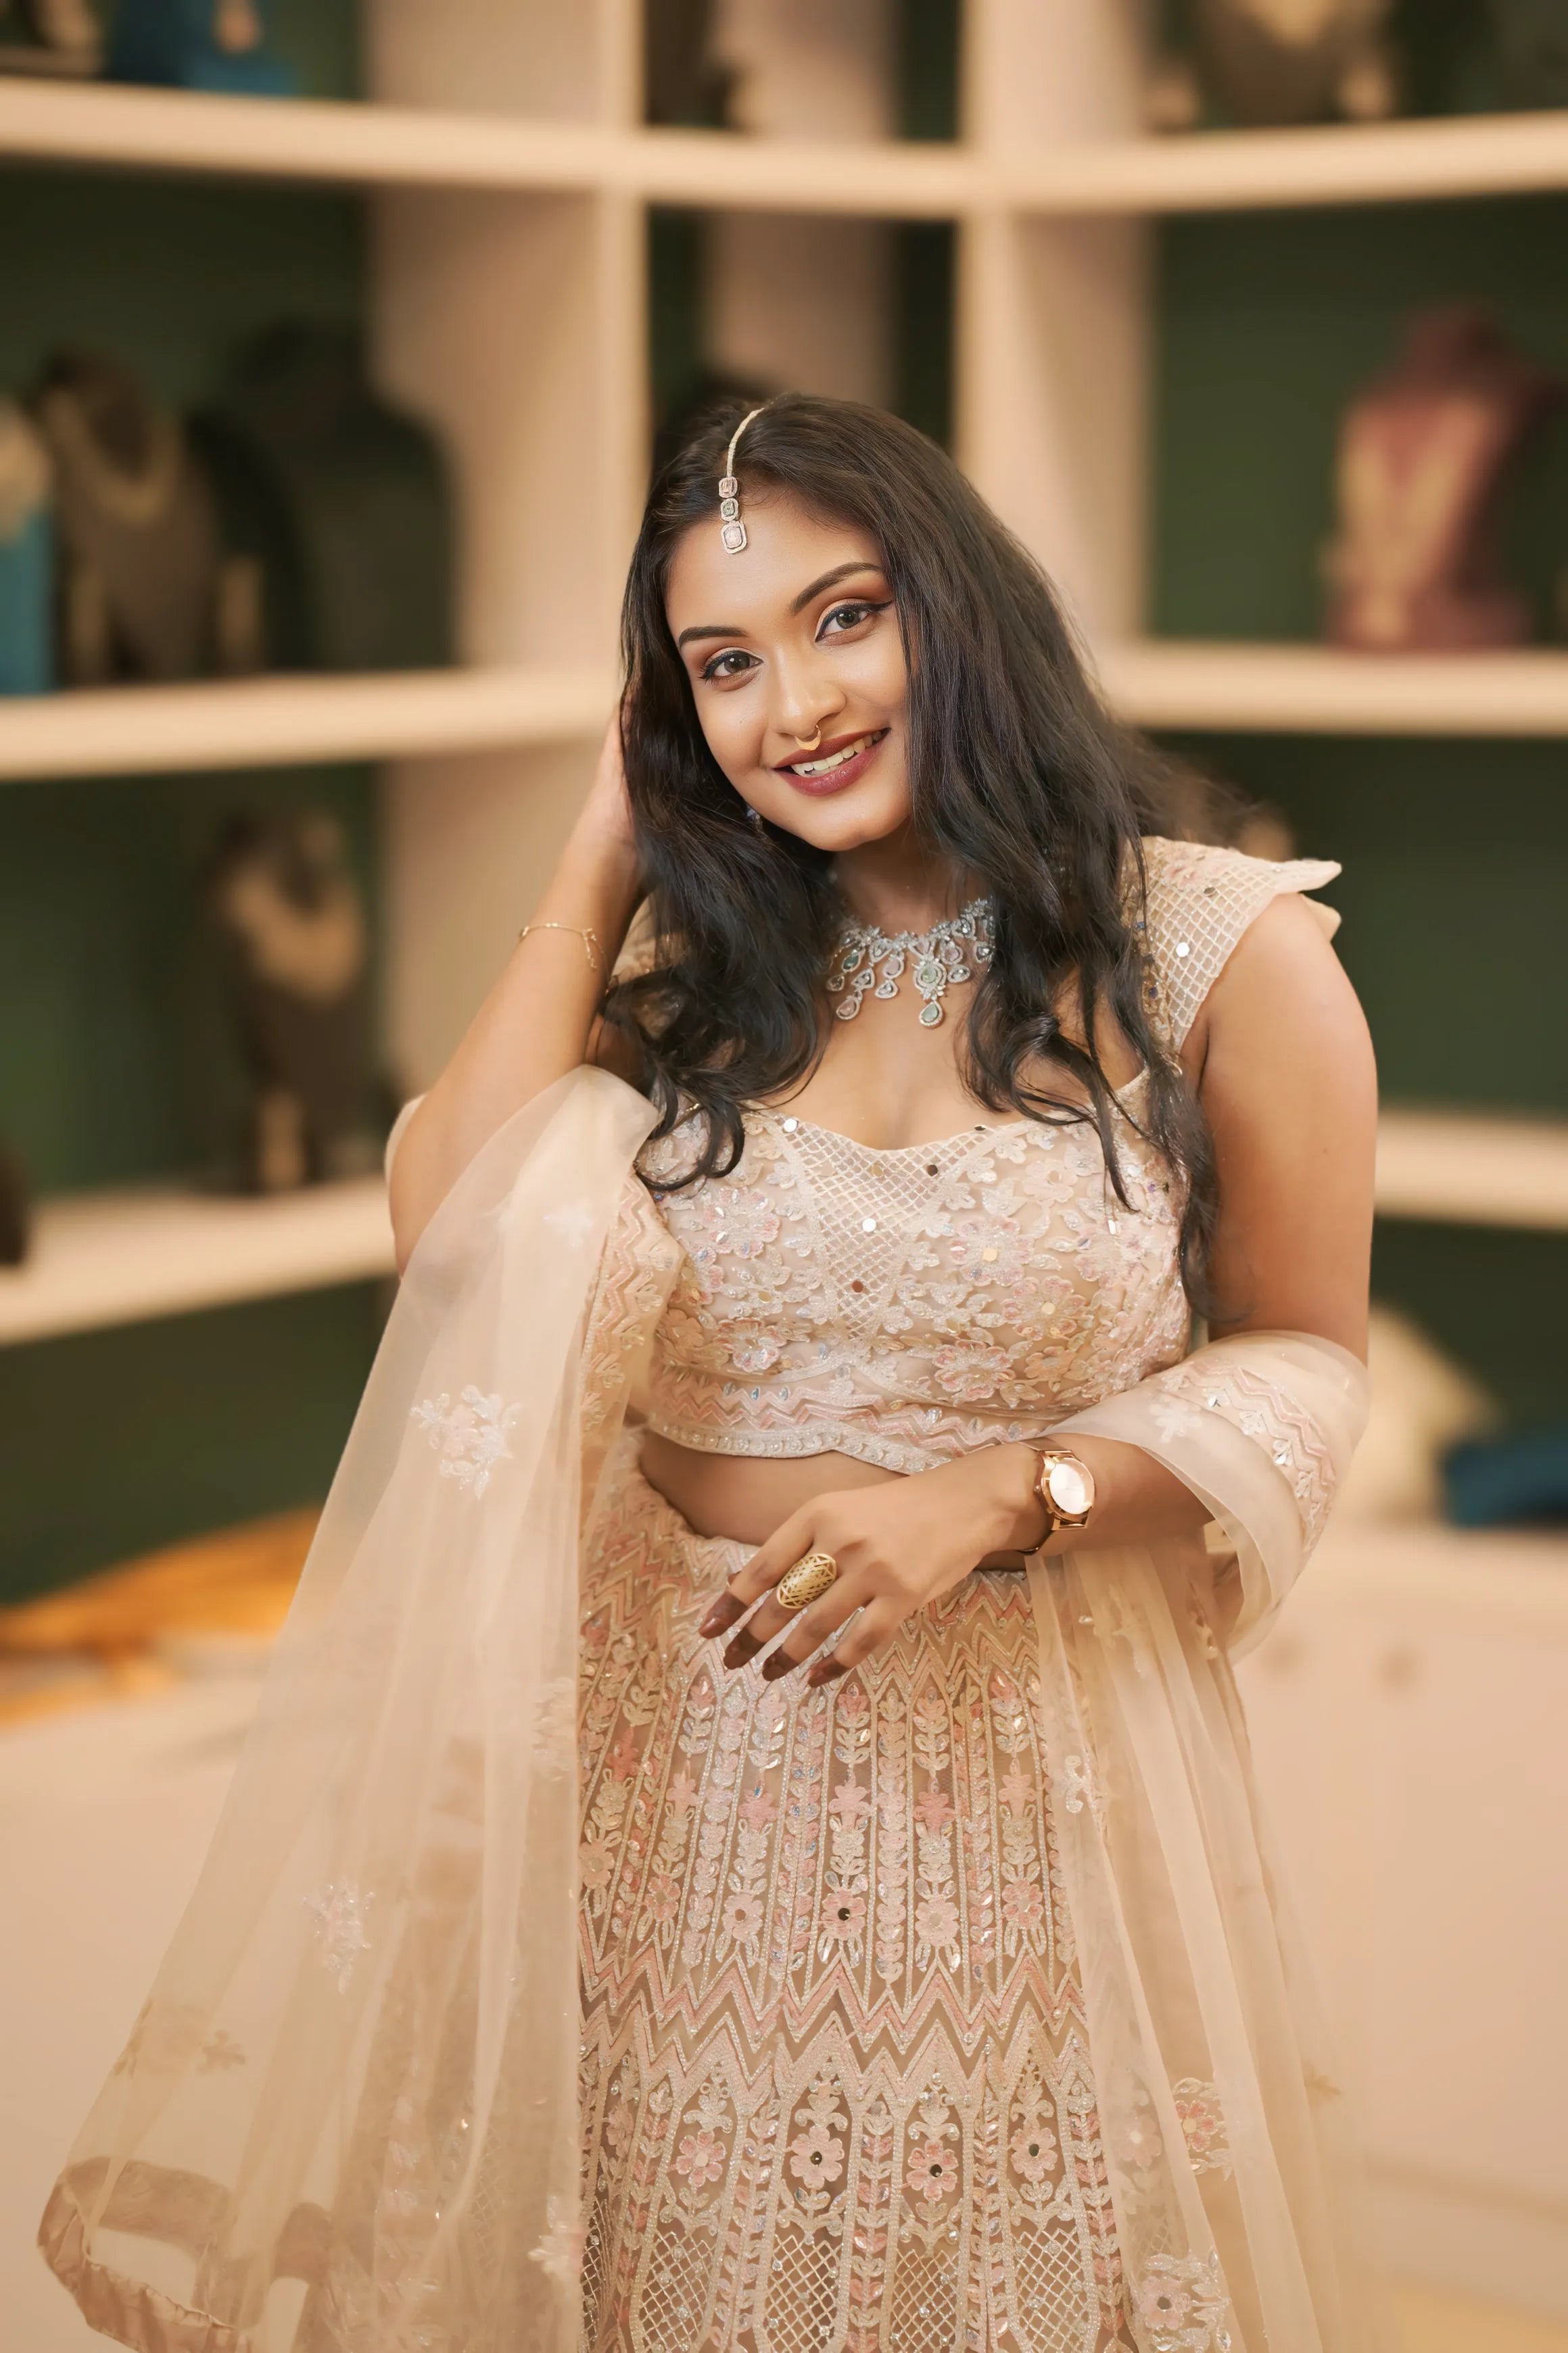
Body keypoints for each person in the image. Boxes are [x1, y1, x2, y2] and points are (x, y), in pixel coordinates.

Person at [42, 396, 1379, 2353]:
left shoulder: (1208, 954)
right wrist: (601, 849)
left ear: (958, 609)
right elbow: (456, 1241)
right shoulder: (699, 972)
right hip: (673, 1816)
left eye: (846, 620)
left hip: (1035, 1810)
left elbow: (1310, 1359)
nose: (795, 706)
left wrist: (1014, 1494)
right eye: (721, 664)